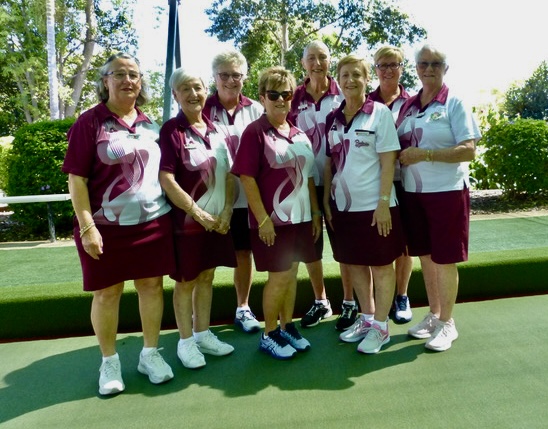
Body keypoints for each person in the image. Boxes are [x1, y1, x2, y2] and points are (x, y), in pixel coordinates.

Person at [62, 52, 174, 395]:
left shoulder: (149, 124)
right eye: (119, 74)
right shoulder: (90, 122)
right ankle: (109, 361)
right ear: (105, 81)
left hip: (152, 222)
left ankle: (149, 354)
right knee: (107, 293)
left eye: (134, 75)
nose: (128, 80)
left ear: (141, 84)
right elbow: (76, 180)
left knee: (152, 287)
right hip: (103, 227)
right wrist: (86, 227)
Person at [232, 66, 321, 360]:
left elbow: (308, 177)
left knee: (292, 274)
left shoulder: (298, 133)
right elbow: (247, 178)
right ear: (262, 97)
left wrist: (316, 213)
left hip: (301, 218)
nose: (281, 100)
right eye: (274, 95)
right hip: (273, 221)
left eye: (287, 94)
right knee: (279, 277)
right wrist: (263, 220)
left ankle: (287, 326)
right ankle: (269, 334)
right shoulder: (255, 132)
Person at [396, 44, 480, 351]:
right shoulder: (408, 105)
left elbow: (468, 150)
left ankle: (448, 323)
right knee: (426, 258)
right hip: (413, 194)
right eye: (423, 63)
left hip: (447, 193)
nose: (429, 68)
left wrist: (426, 154)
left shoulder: (454, 102)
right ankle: (434, 314)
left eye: (435, 64)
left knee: (445, 260)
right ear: (415, 68)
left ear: (446, 69)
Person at [323, 55, 404, 354]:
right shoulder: (333, 118)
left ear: (366, 78)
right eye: (344, 75)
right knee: (355, 264)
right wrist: (325, 200)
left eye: (356, 74)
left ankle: (382, 327)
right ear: (338, 80)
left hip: (375, 207)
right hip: (343, 208)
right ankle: (368, 318)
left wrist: (383, 203)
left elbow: (388, 162)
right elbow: (329, 162)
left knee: (382, 267)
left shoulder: (379, 113)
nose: (350, 80)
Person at [159, 67, 236, 369]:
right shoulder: (171, 131)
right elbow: (166, 178)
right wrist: (197, 212)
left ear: (207, 91)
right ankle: (186, 342)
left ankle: (203, 334)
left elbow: (229, 175)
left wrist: (227, 210)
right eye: (186, 89)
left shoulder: (216, 129)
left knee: (207, 275)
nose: (193, 94)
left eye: (198, 87)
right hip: (188, 224)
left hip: (217, 222)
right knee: (186, 280)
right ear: (175, 95)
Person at [288, 40, 356, 331]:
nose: (317, 63)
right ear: (303, 63)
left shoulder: (343, 93)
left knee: (344, 245)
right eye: (311, 58)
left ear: (331, 61)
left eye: (323, 58)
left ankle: (350, 303)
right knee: (311, 246)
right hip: (303, 185)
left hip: (340, 182)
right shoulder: (291, 97)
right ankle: (321, 301)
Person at [204, 50, 264, 333]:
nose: (230, 80)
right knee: (206, 260)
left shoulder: (256, 109)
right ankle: (198, 317)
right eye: (224, 74)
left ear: (245, 77)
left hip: (246, 198)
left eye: (236, 75)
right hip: (208, 200)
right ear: (214, 77)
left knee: (243, 253)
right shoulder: (199, 108)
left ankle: (243, 307)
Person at [368, 45, 413, 324]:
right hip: (375, 182)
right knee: (380, 244)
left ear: (402, 67)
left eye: (393, 64)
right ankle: (374, 304)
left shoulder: (414, 101)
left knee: (405, 244)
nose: (387, 70)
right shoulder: (366, 102)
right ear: (375, 70)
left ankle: (402, 296)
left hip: (407, 181)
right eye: (382, 66)